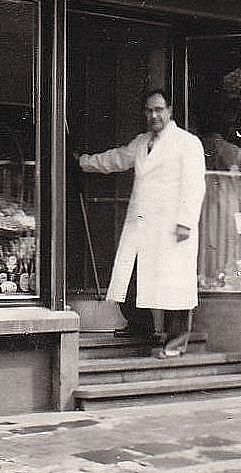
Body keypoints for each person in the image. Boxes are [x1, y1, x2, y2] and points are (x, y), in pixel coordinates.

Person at [78, 89, 206, 358]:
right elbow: (116, 158)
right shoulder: (141, 142)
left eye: (159, 110)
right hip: (142, 225)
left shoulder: (187, 143)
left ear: (170, 111)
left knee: (175, 284)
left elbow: (194, 186)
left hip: (173, 228)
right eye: (149, 110)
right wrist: (83, 162)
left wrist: (185, 222)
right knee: (133, 277)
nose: (154, 115)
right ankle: (140, 327)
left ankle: (175, 342)